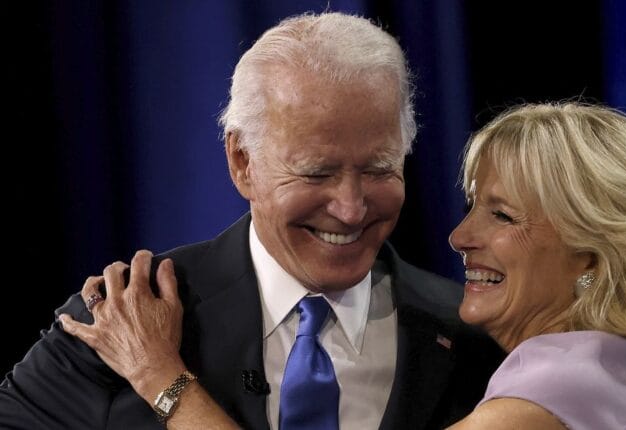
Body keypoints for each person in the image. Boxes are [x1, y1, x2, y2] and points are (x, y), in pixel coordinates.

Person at [0, 12, 503, 430]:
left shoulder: (477, 338)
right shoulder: (126, 317)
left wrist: (165, 383)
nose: (351, 208)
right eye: (317, 172)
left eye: (378, 169)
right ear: (243, 161)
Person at [445, 102, 626, 429]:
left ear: (591, 257)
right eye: (471, 207)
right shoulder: (624, 374)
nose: (459, 237)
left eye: (502, 215)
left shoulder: (560, 384)